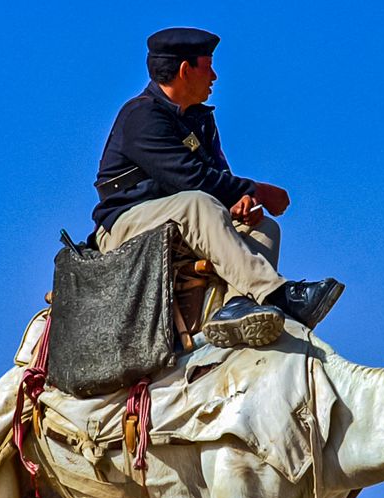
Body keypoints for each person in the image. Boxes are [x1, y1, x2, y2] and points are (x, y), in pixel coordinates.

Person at [92, 27, 343, 347]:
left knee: (264, 227)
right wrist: (255, 190)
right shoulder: (141, 115)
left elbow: (217, 179)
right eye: (208, 66)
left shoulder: (199, 121)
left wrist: (240, 204)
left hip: (181, 219)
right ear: (186, 70)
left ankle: (237, 305)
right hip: (124, 227)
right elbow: (192, 180)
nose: (214, 76)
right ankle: (277, 293)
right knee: (197, 201)